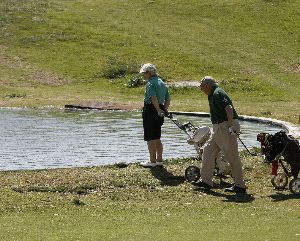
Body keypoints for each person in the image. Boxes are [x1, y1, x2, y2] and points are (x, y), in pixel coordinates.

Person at [195, 76, 247, 194]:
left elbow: (229, 109)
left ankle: (240, 185)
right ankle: (206, 181)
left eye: (202, 86)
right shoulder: (213, 94)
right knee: (208, 150)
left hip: (225, 127)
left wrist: (229, 126)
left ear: (207, 85)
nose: (201, 89)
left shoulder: (218, 93)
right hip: (218, 128)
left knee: (232, 156)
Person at [139, 63, 170, 168]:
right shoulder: (162, 82)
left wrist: (157, 110)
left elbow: (153, 98)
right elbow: (168, 98)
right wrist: (164, 109)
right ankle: (159, 160)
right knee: (157, 136)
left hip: (151, 110)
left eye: (144, 73)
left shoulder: (150, 83)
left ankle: (152, 161)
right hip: (160, 109)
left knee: (150, 137)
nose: (143, 76)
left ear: (148, 73)